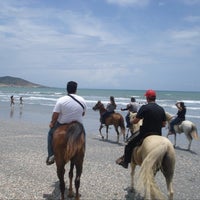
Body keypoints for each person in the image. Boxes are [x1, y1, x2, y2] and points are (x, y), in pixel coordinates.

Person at [116, 89, 166, 169]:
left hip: (145, 133)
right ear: (155, 98)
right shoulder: (161, 109)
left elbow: (136, 121)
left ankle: (125, 162)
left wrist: (131, 121)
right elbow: (163, 124)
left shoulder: (144, 107)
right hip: (158, 134)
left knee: (129, 144)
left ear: (147, 98)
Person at [46, 81, 87, 165]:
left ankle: (51, 155)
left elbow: (55, 115)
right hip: (78, 125)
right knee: (83, 135)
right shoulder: (82, 100)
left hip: (62, 124)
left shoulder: (61, 100)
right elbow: (83, 113)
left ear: (67, 89)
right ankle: (81, 153)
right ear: (76, 90)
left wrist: (52, 123)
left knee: (50, 134)